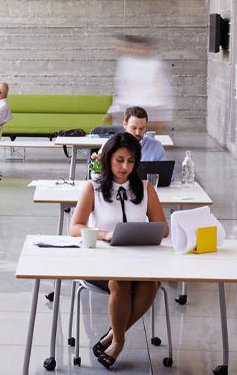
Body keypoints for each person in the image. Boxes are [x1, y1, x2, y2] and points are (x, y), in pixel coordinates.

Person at [69, 132, 169, 369]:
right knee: (120, 282)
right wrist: (104, 234)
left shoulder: (146, 189)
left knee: (149, 285)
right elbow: (75, 227)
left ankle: (111, 336)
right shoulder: (92, 188)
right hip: (102, 261)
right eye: (119, 160)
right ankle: (119, 343)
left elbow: (163, 228)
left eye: (131, 161)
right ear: (108, 159)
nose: (125, 167)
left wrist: (146, 232)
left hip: (139, 260)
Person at [109, 36, 173, 133]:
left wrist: (157, 101)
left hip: (149, 98)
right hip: (131, 99)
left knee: (152, 117)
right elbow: (124, 84)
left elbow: (158, 83)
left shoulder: (154, 63)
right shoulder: (125, 62)